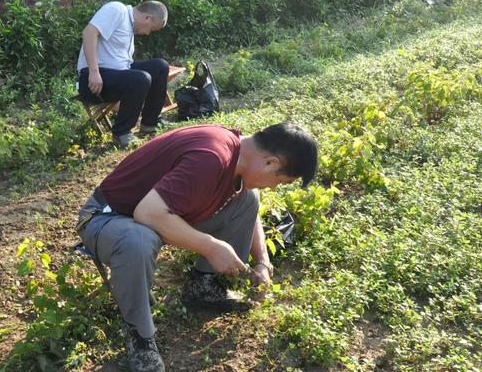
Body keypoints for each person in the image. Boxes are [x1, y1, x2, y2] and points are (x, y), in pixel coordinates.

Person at [76, 122, 318, 372]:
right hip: (107, 216)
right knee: (139, 240)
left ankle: (204, 286)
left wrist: (262, 262)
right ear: (270, 163)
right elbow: (147, 213)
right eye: (280, 181)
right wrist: (211, 247)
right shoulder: (211, 157)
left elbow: (249, 208)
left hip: (150, 213)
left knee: (247, 199)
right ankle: (140, 337)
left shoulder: (237, 154)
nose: (273, 187)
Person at [77, 0, 169, 148]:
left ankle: (149, 124)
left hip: (119, 75)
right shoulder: (116, 10)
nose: (147, 33)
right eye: (151, 29)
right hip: (93, 79)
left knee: (161, 66)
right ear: (147, 17)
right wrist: (94, 72)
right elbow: (89, 33)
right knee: (141, 78)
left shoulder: (130, 26)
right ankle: (121, 133)